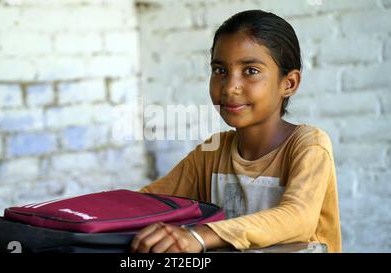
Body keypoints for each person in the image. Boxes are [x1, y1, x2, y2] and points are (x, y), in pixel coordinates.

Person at [131, 10, 342, 253]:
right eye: (220, 70)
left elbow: (298, 219)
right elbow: (147, 204)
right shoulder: (212, 153)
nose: (230, 87)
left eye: (251, 71)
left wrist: (200, 235)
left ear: (289, 83)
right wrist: (90, 216)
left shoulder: (308, 145)